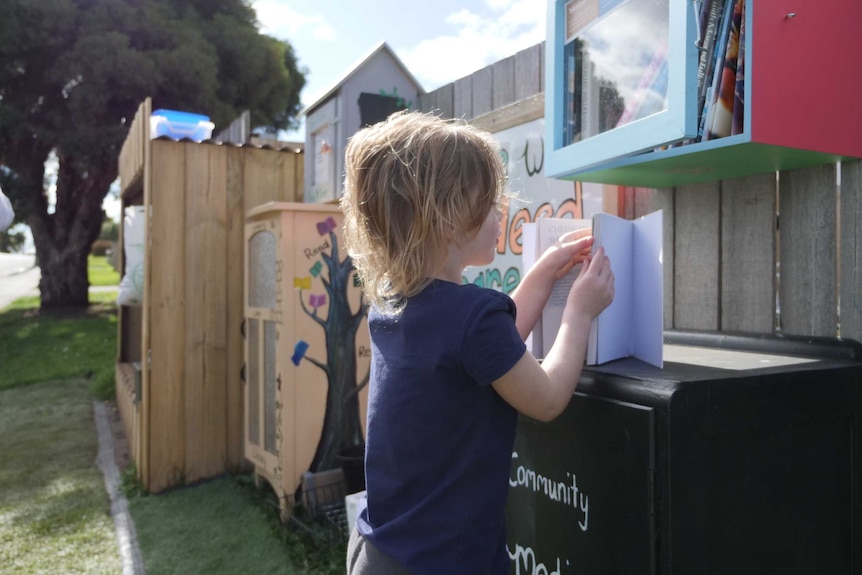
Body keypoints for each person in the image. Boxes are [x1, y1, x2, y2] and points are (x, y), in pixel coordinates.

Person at [342, 111, 614, 574]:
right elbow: (546, 397)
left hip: (381, 553)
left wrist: (545, 270)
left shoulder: (394, 304)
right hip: (445, 561)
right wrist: (580, 312)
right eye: (489, 202)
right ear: (448, 219)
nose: (500, 212)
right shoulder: (470, 318)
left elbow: (488, 348)